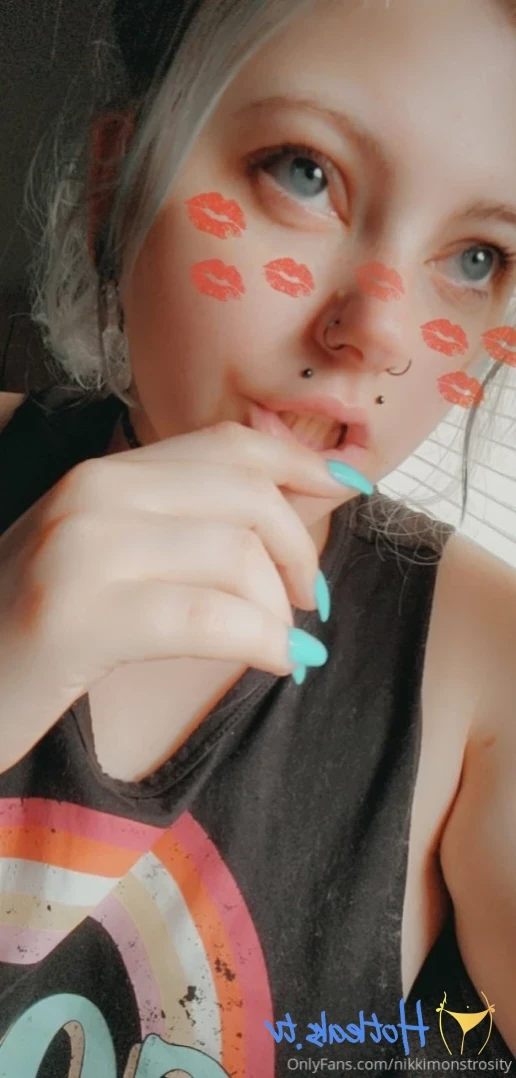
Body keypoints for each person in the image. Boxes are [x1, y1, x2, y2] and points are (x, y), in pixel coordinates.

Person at [0, 0, 515, 1073]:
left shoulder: (490, 663)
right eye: (305, 173)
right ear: (115, 186)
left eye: (476, 259)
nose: (379, 330)